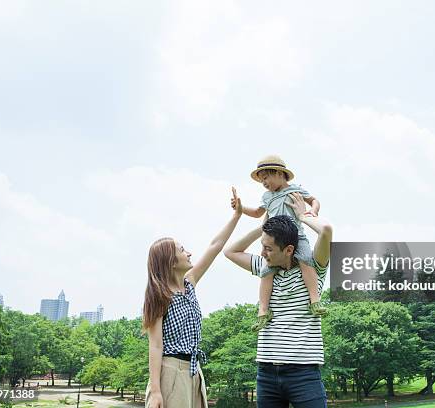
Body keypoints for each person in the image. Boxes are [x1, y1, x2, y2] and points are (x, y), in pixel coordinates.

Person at [225, 192, 333, 407]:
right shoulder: (265, 267)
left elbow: (326, 231)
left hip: (304, 374)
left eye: (269, 248)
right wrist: (266, 228)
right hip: (266, 373)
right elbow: (230, 251)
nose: (262, 253)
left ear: (289, 249)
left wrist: (303, 217)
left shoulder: (314, 268)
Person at [142, 188, 243, 408]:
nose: (189, 253)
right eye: (182, 250)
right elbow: (156, 345)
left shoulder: (190, 283)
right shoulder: (159, 295)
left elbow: (215, 246)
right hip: (171, 372)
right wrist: (157, 391)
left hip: (194, 371)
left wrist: (236, 216)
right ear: (170, 261)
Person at [238, 155, 327, 331]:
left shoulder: (295, 190)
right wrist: (240, 209)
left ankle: (315, 300)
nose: (263, 182)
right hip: (275, 239)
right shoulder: (267, 196)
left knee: (306, 262)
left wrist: (312, 212)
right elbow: (257, 213)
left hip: (297, 236)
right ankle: (263, 310)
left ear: (279, 173)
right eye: (261, 179)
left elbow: (314, 201)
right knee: (266, 272)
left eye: (266, 177)